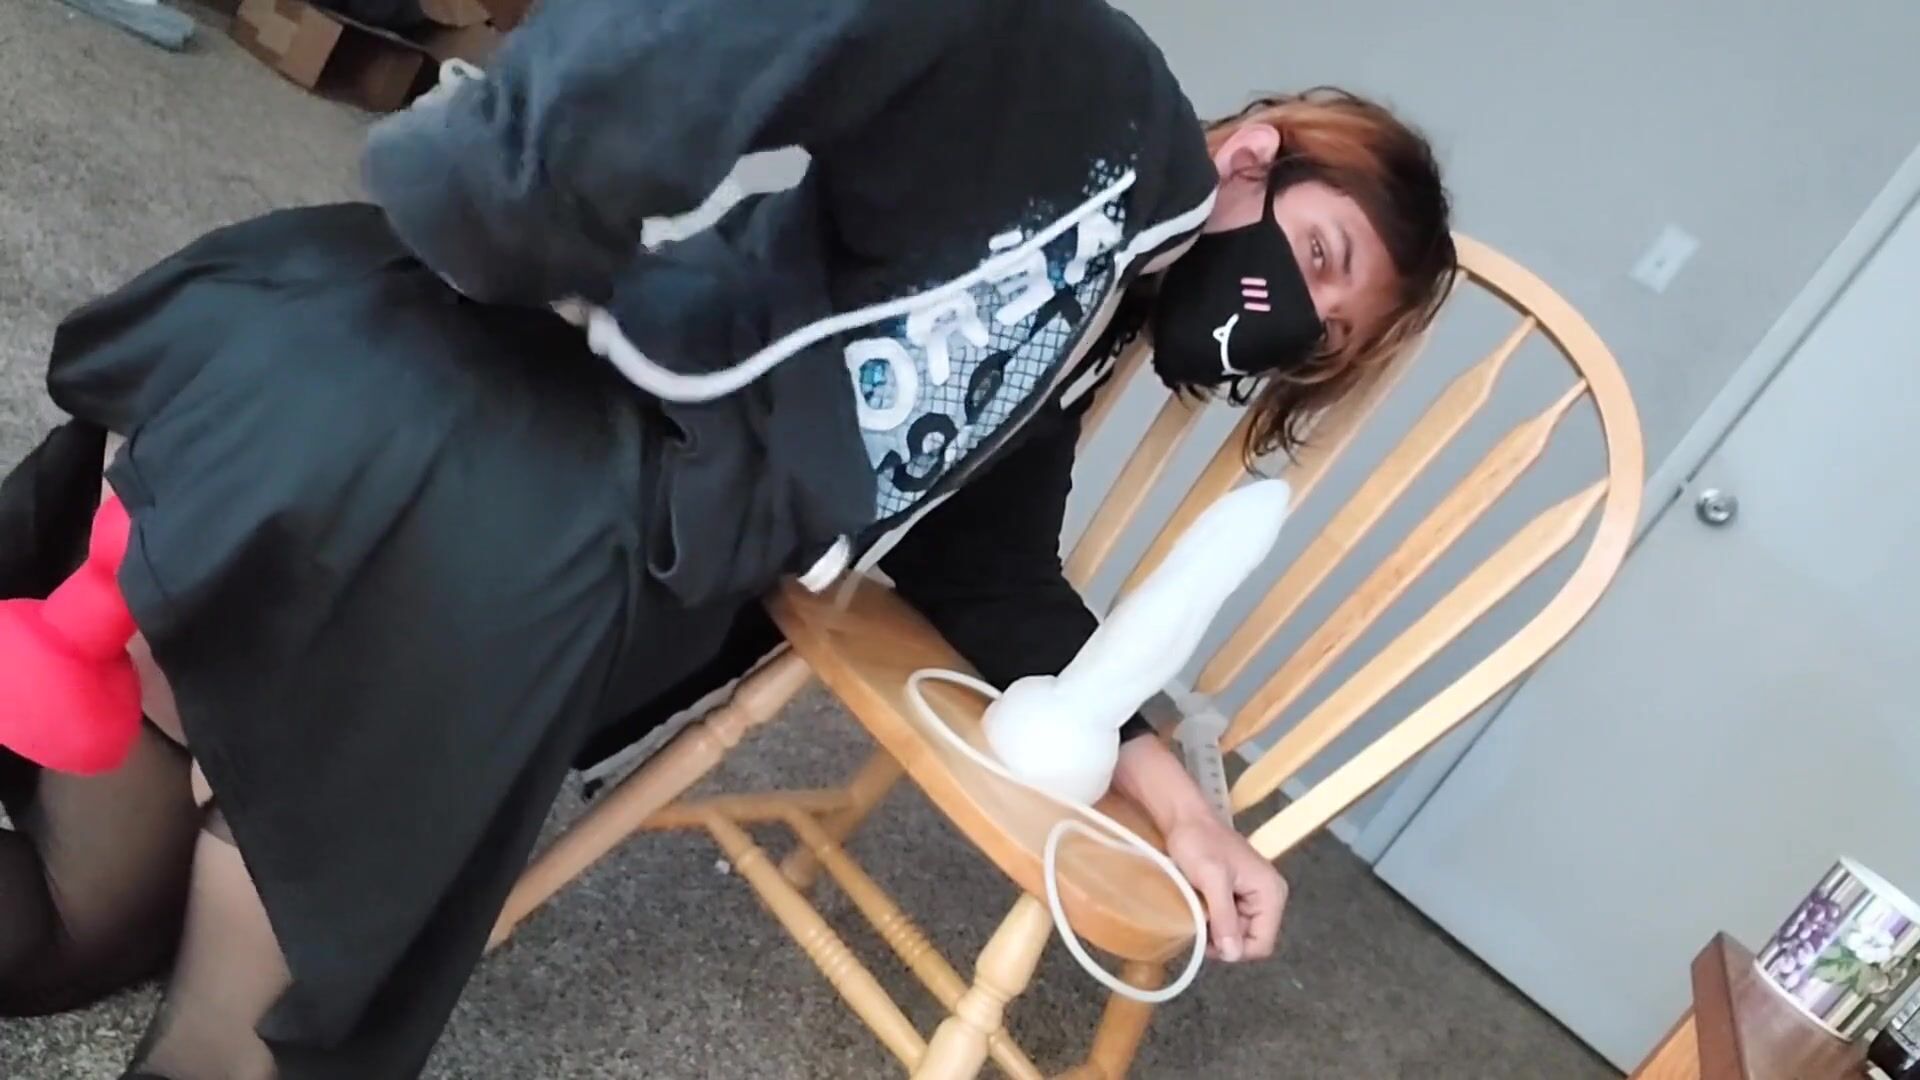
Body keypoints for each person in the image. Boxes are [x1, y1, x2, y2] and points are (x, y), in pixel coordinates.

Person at [0, 0, 1455, 1076]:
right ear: (1255, 157)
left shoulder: (1073, 338)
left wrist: (1182, 800)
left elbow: (994, 577)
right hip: (510, 492)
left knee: (87, 926)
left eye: (1324, 334)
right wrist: (533, 169)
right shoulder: (1104, 111)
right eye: (1316, 258)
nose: (1293, 318)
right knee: (245, 1037)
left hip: (463, 470)